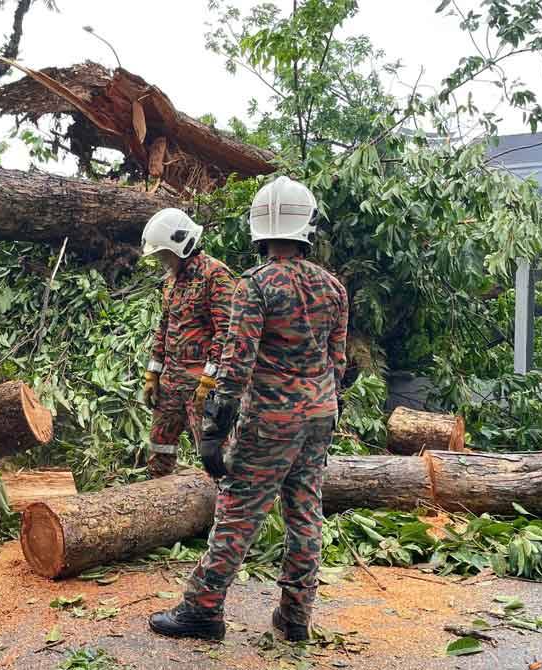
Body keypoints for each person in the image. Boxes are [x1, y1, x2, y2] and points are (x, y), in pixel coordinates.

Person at [149, 176, 348, 642]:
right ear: (306, 227)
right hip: (320, 413)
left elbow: (236, 364)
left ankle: (203, 608)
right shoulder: (333, 287)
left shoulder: (254, 286)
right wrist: (321, 405)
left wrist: (216, 427)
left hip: (271, 420)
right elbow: (337, 362)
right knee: (305, 511)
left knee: (238, 511)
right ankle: (296, 617)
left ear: (258, 230)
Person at [140, 208, 235, 478]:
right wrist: (152, 373)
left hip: (201, 385)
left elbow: (227, 331)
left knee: (213, 452)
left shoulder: (215, 276)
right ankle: (158, 501)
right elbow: (164, 326)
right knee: (160, 445)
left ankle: (226, 504)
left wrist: (210, 380)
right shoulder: (171, 282)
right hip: (171, 381)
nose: (162, 261)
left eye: (164, 254)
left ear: (181, 246)